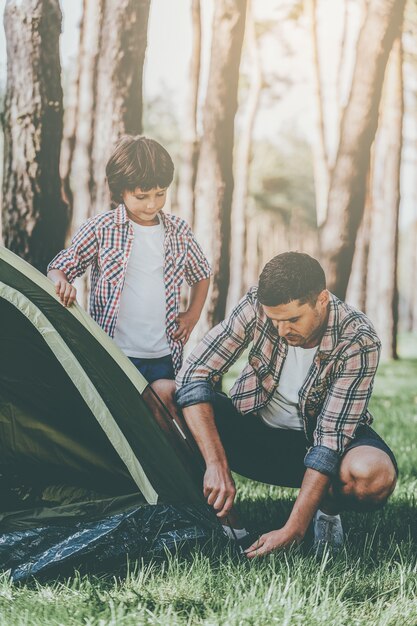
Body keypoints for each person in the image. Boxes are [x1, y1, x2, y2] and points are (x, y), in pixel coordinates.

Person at [168, 252, 398, 557]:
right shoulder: (257, 305)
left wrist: (294, 529)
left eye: (293, 319)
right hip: (255, 433)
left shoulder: (359, 339)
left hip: (317, 447)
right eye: (275, 320)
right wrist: (216, 465)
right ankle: (227, 519)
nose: (282, 330)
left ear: (322, 300)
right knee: (164, 392)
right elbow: (196, 371)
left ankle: (325, 513)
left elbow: (330, 439)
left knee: (372, 473)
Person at [47, 135, 211, 383]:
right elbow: (60, 266)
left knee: (163, 410)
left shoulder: (179, 230)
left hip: (164, 353)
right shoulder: (101, 228)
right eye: (142, 196)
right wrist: (61, 282)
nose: (152, 204)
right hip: (114, 351)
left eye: (160, 193)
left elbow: (201, 274)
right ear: (120, 191)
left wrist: (193, 314)